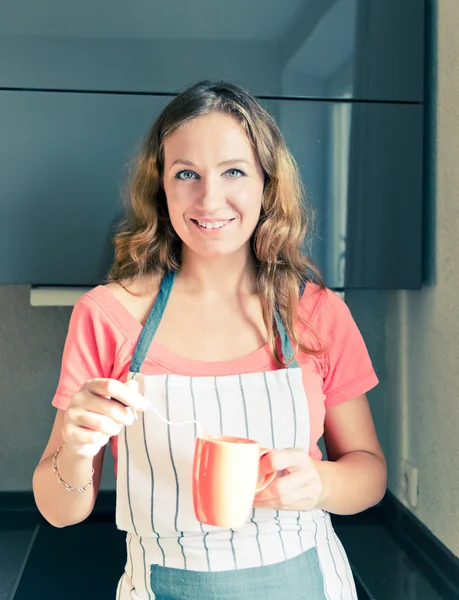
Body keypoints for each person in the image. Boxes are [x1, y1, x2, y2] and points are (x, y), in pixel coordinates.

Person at [32, 80, 386, 600]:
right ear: (162, 188)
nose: (209, 198)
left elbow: (369, 474)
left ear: (267, 184)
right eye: (187, 174)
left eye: (234, 171)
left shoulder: (315, 312)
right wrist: (77, 450)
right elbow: (60, 511)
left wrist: (323, 484)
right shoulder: (108, 315)